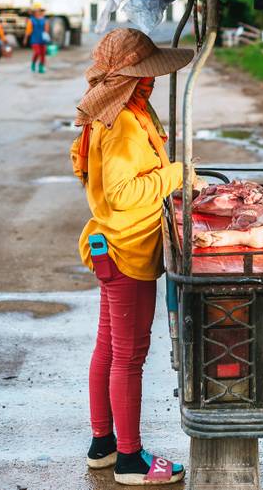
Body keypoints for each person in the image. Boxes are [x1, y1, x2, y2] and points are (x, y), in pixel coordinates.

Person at [72, 28, 193, 486]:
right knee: (128, 356)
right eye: (145, 76)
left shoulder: (112, 112)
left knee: (108, 347)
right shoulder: (120, 120)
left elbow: (93, 172)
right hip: (126, 249)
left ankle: (103, 444)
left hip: (114, 246)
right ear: (127, 79)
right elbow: (123, 193)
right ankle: (129, 460)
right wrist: (178, 174)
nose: (153, 82)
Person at [23, 3, 51, 73]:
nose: (37, 12)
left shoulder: (44, 20)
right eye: (36, 11)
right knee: (37, 52)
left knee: (43, 54)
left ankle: (41, 67)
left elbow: (46, 30)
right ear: (34, 12)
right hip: (34, 39)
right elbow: (28, 30)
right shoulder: (31, 20)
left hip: (42, 40)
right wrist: (25, 38)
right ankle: (33, 62)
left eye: (39, 11)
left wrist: (46, 26)